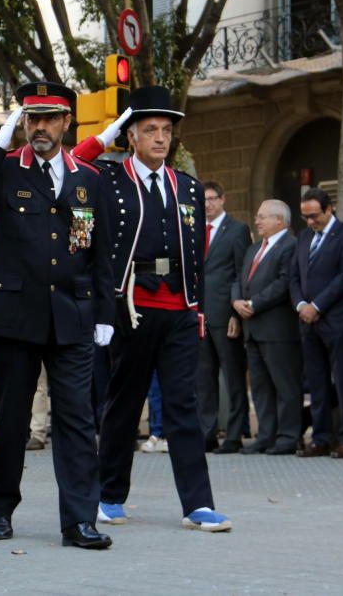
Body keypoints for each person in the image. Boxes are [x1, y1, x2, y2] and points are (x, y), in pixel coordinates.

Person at [0, 81, 114, 550]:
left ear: (67, 122)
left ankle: (79, 520)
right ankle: (0, 509)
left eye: (49, 118)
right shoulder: (6, 169)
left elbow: (98, 251)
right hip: (15, 316)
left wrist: (103, 313)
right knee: (10, 419)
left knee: (77, 420)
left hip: (71, 315)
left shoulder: (88, 177)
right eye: (32, 118)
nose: (40, 127)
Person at [85, 86, 231, 533]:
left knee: (183, 404)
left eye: (166, 131)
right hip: (130, 307)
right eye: (150, 130)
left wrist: (199, 310)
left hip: (179, 309)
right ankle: (110, 496)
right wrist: (101, 138)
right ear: (131, 136)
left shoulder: (186, 186)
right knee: (123, 405)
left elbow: (197, 256)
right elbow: (71, 167)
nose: (160, 138)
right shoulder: (108, 178)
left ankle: (198, 504)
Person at [290, 188, 343, 458]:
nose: (310, 222)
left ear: (329, 209)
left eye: (314, 216)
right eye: (305, 216)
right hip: (307, 321)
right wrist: (301, 305)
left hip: (336, 320)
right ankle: (320, 438)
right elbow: (294, 276)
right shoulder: (304, 236)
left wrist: (317, 306)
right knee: (316, 383)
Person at [232, 200, 301, 455]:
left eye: (263, 217)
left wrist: (254, 303)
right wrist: (236, 301)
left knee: (285, 386)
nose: (257, 221)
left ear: (280, 221)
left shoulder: (290, 246)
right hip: (253, 328)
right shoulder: (253, 249)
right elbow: (240, 278)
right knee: (260, 388)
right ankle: (266, 435)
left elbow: (284, 282)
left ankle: (288, 436)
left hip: (278, 329)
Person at [195, 180, 251, 453]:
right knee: (203, 379)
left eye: (212, 199)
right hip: (199, 315)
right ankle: (207, 433)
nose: (207, 204)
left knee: (233, 377)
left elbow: (242, 273)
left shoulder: (238, 230)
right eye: (203, 199)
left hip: (225, 314)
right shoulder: (193, 229)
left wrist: (235, 313)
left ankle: (234, 434)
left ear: (222, 199)